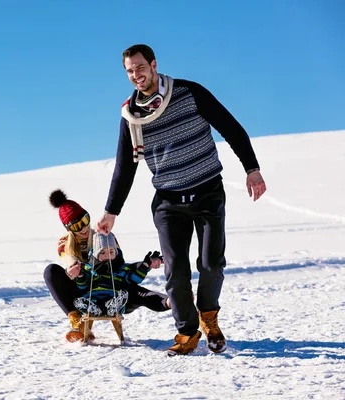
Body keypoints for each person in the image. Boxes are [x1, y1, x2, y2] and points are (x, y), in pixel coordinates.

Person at [97, 44, 267, 356]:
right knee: (175, 272)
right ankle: (187, 332)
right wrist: (111, 211)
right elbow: (126, 166)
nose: (136, 75)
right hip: (168, 202)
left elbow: (231, 128)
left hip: (207, 192)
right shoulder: (131, 116)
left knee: (212, 263)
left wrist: (252, 169)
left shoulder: (189, 92)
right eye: (130, 71)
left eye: (140, 67)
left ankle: (209, 317)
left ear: (153, 64)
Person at [44, 189, 170, 343]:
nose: (83, 228)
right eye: (77, 226)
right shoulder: (65, 243)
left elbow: (120, 266)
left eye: (85, 221)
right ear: (69, 229)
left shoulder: (103, 236)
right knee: (50, 271)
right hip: (83, 289)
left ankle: (172, 301)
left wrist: (145, 264)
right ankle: (77, 320)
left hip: (111, 290)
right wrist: (73, 269)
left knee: (136, 290)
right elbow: (68, 258)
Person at [73, 232, 168, 319]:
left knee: (122, 296)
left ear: (116, 252)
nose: (108, 256)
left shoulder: (121, 268)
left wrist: (144, 267)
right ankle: (92, 309)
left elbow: (133, 280)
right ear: (95, 255)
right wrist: (80, 276)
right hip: (93, 298)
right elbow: (83, 286)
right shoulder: (89, 269)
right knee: (80, 300)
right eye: (102, 252)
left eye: (111, 252)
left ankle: (113, 308)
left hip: (113, 297)